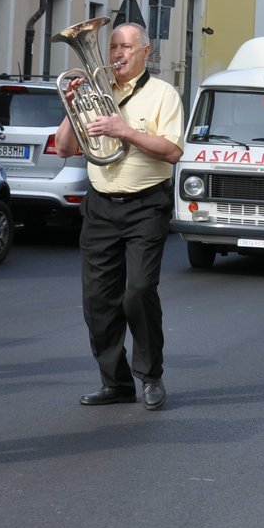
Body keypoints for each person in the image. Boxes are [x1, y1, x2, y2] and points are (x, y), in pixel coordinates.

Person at [57, 22, 184, 412]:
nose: (116, 55)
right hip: (101, 205)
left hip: (146, 205)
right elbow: (64, 148)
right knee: (98, 299)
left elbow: (171, 151)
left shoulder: (164, 94)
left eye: (125, 47)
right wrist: (70, 105)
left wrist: (123, 131)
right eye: (112, 46)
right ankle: (115, 382)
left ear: (146, 52)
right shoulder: (94, 92)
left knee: (139, 291)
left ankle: (151, 375)